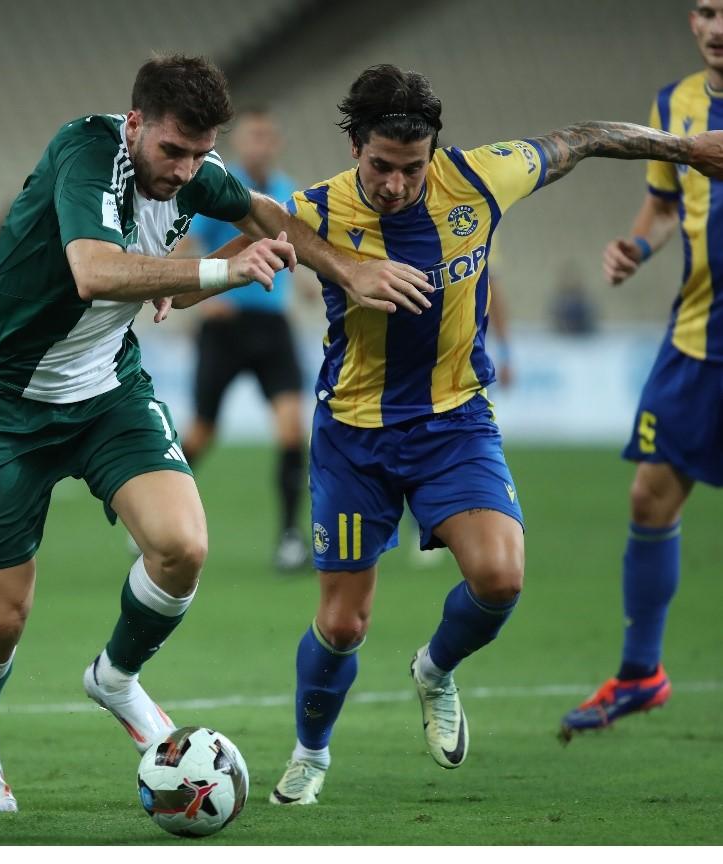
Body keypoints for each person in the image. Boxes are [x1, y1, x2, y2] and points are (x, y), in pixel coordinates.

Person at [199, 64, 723, 806]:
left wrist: (683, 148)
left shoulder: (481, 178)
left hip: (455, 423)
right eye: (380, 166)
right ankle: (310, 753)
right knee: (342, 624)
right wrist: (185, 284)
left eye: (411, 168)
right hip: (353, 435)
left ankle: (434, 670)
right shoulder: (316, 209)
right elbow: (242, 245)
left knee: (501, 579)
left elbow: (584, 139)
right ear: (354, 148)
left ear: (434, 152)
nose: (395, 184)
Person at [0, 54, 434, 812]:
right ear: (136, 124)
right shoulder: (85, 152)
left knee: (182, 547)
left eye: (201, 154)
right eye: (172, 150)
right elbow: (94, 272)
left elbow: (265, 215)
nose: (184, 170)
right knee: (1, 616)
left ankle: (115, 677)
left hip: (105, 391)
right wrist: (213, 273)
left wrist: (345, 270)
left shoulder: (195, 172)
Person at [561, 0, 723, 740]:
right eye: (706, 11)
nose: (717, 28)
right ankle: (640, 674)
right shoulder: (673, 104)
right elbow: (663, 205)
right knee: (650, 498)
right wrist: (637, 245)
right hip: (695, 339)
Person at [174, 107, 311, 571]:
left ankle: (290, 538)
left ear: (276, 143)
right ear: (239, 143)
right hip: (224, 327)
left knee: (292, 427)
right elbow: (186, 246)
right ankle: (156, 517)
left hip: (272, 327)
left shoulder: (286, 191)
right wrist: (203, 301)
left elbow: (295, 248)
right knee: (202, 430)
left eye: (267, 136)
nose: (260, 144)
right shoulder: (220, 189)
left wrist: (306, 284)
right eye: (253, 136)